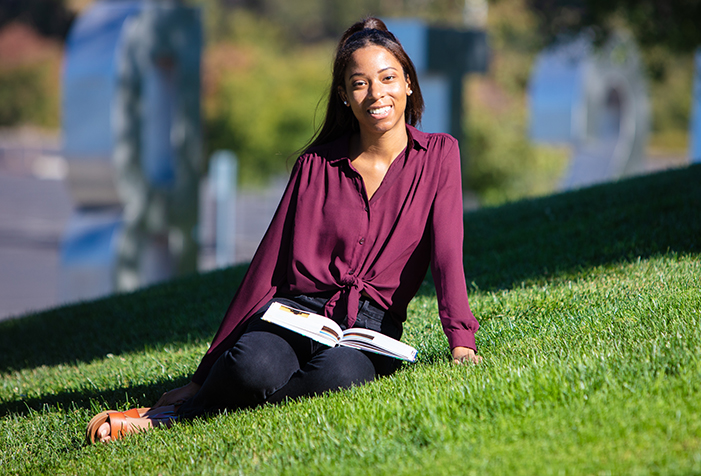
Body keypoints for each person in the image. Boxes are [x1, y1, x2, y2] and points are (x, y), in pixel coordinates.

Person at [87, 16, 481, 444]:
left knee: (340, 377)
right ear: (345, 96)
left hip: (370, 326)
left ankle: (195, 419)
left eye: (387, 78)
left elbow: (447, 255)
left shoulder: (440, 155)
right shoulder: (315, 165)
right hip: (299, 311)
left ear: (408, 83)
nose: (376, 94)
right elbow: (267, 268)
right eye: (360, 83)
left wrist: (461, 341)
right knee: (249, 365)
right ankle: (183, 411)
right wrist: (203, 375)